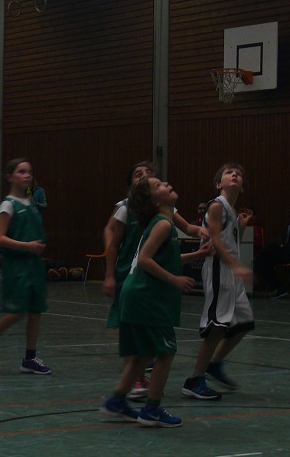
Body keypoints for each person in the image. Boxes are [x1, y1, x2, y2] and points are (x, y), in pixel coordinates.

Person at [100, 176, 203, 427]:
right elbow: (146, 260)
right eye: (159, 186)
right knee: (166, 352)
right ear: (154, 201)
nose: (166, 184)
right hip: (146, 297)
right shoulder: (163, 224)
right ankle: (152, 409)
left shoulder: (161, 224)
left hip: (135, 295)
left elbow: (163, 258)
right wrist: (174, 279)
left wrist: (198, 254)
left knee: (143, 354)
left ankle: (117, 401)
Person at [0, 158, 52, 374]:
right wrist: (28, 246)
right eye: (22, 171)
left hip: (34, 264)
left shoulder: (31, 202)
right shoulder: (8, 205)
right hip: (18, 265)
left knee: (36, 310)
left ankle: (30, 358)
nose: (27, 175)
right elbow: (0, 238)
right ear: (10, 176)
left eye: (29, 172)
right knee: (18, 311)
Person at [181, 162, 254, 401]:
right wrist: (236, 265)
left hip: (231, 273)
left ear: (242, 186)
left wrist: (241, 227)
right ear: (218, 184)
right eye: (229, 173)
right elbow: (215, 240)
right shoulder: (216, 205)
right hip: (218, 269)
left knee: (244, 322)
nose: (235, 175)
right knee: (217, 326)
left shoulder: (232, 211)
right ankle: (195, 379)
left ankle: (215, 364)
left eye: (239, 173)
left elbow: (230, 241)